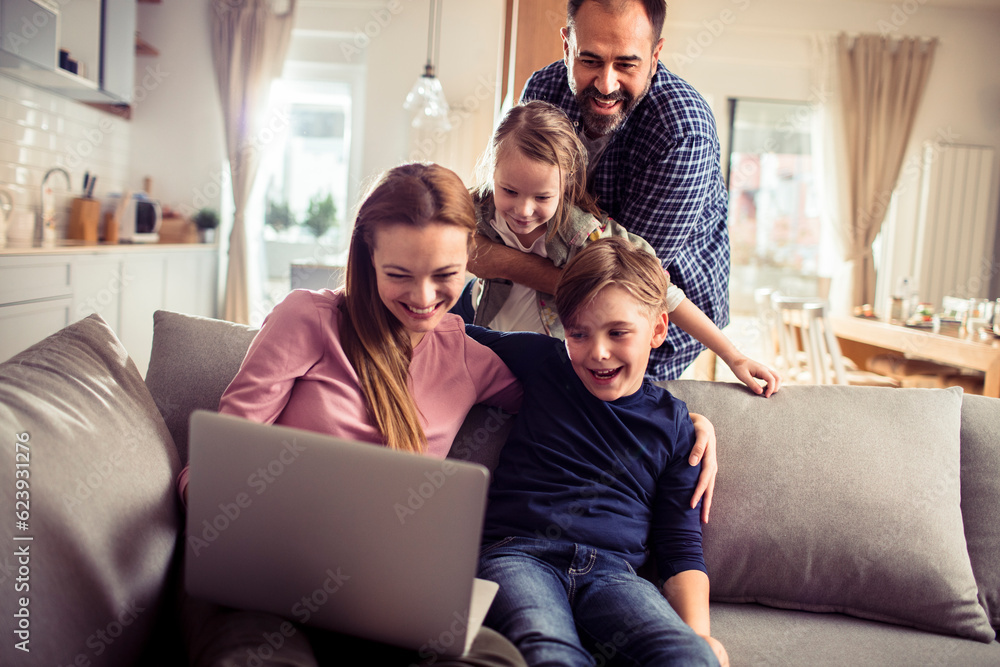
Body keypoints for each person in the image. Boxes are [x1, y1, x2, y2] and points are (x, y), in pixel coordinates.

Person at [177, 163, 527, 667]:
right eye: (399, 275)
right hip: (262, 583)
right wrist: (221, 506)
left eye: (445, 276)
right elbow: (218, 461)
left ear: (471, 257)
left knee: (495, 660)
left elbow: (567, 405)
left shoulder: (468, 358)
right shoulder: (308, 320)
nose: (424, 299)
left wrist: (675, 420)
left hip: (386, 595)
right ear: (368, 259)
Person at [468, 237, 729, 667]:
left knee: (687, 657)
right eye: (579, 333)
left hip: (613, 575)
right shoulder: (544, 363)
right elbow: (443, 332)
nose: (598, 352)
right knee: (547, 651)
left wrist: (699, 634)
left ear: (658, 330)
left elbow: (680, 544)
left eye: (618, 332)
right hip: (518, 556)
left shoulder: (677, 426)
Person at [468, 0, 729, 382]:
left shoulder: (682, 131)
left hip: (658, 314)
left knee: (616, 410)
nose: (606, 85)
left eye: (626, 64)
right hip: (551, 291)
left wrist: (497, 260)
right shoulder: (542, 89)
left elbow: (625, 284)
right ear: (567, 45)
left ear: (655, 55)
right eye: (589, 60)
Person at [462, 100, 778, 396]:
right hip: (487, 352)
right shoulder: (472, 214)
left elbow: (662, 292)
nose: (523, 210)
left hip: (553, 371)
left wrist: (734, 357)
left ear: (566, 183)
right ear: (492, 172)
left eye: (542, 197)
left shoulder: (586, 234)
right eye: (509, 191)